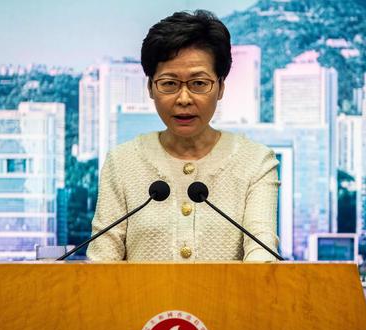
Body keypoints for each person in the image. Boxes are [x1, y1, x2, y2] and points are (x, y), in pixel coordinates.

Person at [86, 10, 279, 261]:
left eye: (199, 83)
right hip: (141, 302)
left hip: (227, 301)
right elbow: (102, 262)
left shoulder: (255, 162)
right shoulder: (122, 163)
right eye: (169, 84)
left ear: (220, 87)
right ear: (150, 88)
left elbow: (261, 256)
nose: (184, 99)